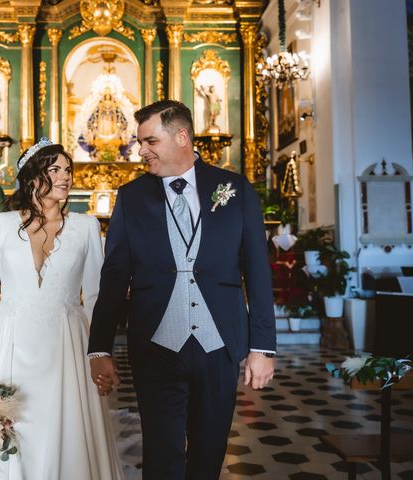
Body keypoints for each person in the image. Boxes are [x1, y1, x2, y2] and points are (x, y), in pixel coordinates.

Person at [88, 100, 276, 479]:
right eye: (140, 142)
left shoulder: (233, 189)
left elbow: (257, 272)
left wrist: (262, 347)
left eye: (150, 141)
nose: (141, 151)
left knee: (209, 451)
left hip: (219, 342)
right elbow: (113, 279)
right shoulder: (132, 196)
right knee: (161, 453)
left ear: (182, 136)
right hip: (155, 345)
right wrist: (100, 347)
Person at [0, 139, 124, 480]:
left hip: (68, 344)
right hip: (10, 343)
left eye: (67, 170)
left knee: (65, 426)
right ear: (33, 178)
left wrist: (99, 353)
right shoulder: (2, 225)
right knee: (13, 428)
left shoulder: (87, 227)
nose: (65, 177)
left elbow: (96, 298)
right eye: (55, 170)